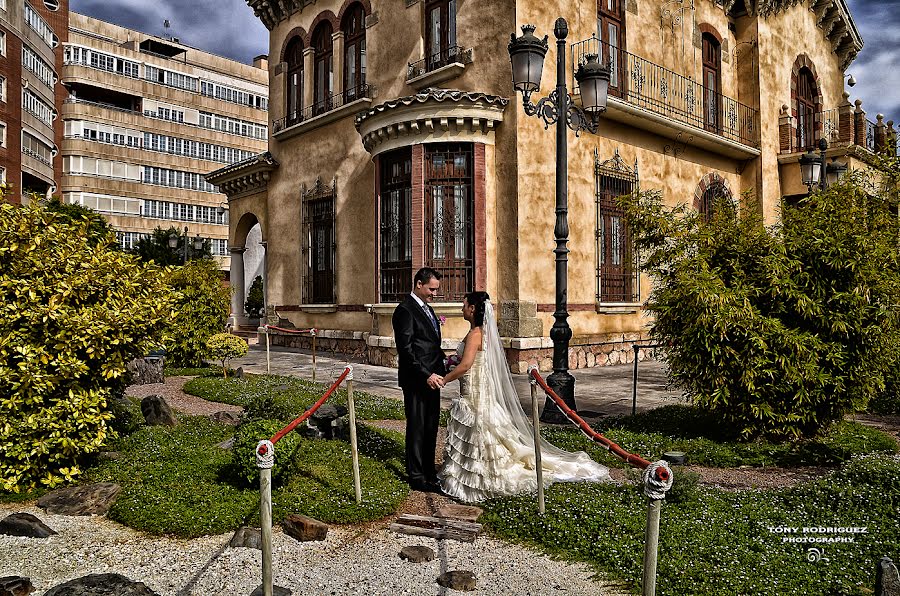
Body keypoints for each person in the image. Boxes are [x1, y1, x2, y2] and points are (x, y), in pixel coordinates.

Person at [438, 291, 609, 502]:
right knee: (483, 431)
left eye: (464, 305)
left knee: (480, 429)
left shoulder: (475, 335)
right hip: (476, 387)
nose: (462, 309)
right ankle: (472, 474)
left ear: (472, 309)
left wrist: (444, 379)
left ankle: (481, 477)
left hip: (475, 391)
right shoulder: (479, 332)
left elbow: (465, 366)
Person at [392, 267, 446, 493]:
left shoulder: (428, 310)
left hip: (434, 379)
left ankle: (429, 471)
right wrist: (426, 374)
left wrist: (445, 362)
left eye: (436, 290)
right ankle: (415, 476)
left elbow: (429, 344)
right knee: (417, 427)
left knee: (431, 427)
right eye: (432, 289)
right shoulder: (405, 310)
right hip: (417, 380)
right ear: (418, 284)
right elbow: (406, 351)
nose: (434, 294)